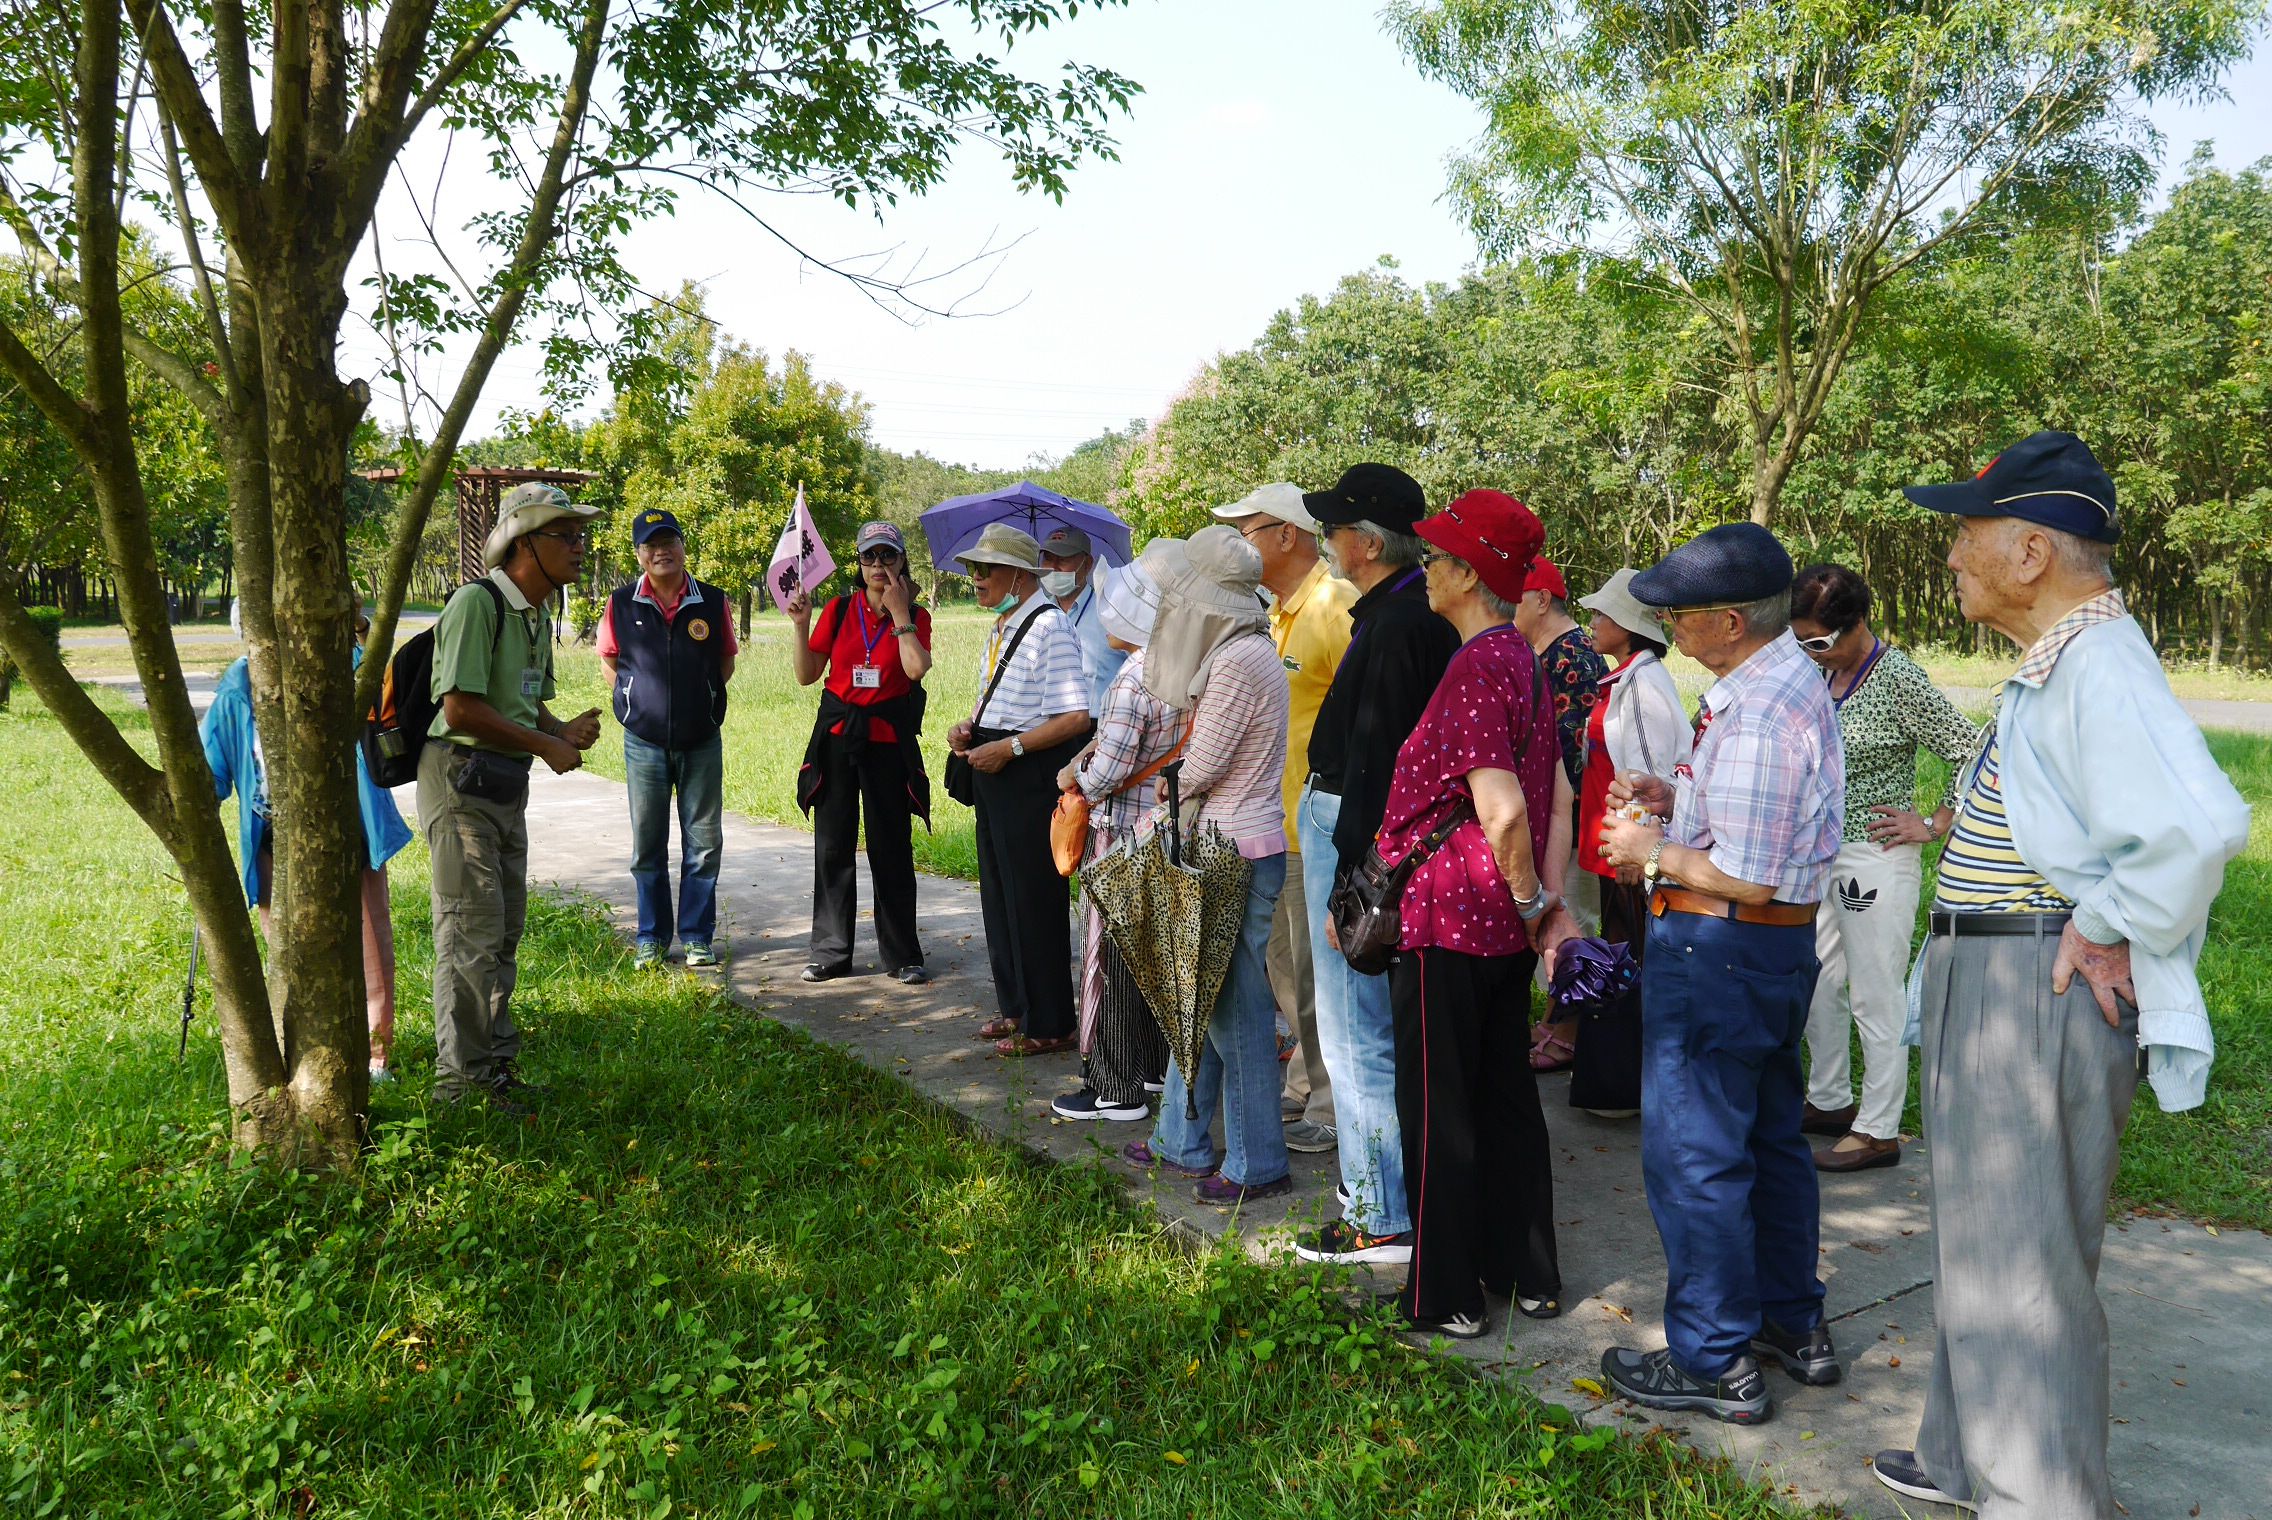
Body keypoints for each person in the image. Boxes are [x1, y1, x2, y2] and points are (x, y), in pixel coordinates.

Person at [1867, 433, 2249, 1518]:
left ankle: (2039, 1496)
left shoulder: (2097, 661)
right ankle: (1960, 1456)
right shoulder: (2063, 654)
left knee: (2020, 1260)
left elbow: (2198, 823)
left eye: (1964, 535)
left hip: (2026, 981)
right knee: (1987, 1238)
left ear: (2029, 549)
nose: (1950, 558)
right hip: (1992, 971)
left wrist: (2110, 918)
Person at [1593, 521, 1845, 1425]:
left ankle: (1712, 1357)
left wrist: (1650, 850)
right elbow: (1760, 835)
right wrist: (1679, 799)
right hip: (1766, 954)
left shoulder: (1765, 710)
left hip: (1722, 948)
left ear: (1730, 621)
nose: (1665, 624)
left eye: (1681, 613)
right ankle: (1790, 1324)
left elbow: (1748, 872)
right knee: (1771, 1139)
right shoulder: (1775, 686)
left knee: (1698, 1155)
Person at [1364, 490, 1580, 1337]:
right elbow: (1551, 789)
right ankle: (1525, 1271)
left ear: (1466, 573)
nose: (1425, 569)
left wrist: (1534, 898)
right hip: (1495, 923)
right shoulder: (1519, 656)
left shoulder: (1476, 663)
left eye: (1438, 557)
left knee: (1438, 1109)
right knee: (1502, 1097)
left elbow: (1502, 809)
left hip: (1452, 916)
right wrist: (1535, 909)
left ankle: (1447, 1294)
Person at [1291, 462, 1459, 1267]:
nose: (1327, 541)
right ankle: (1385, 1196)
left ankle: (1378, 1211)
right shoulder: (1396, 615)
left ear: (1365, 542)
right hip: (1352, 829)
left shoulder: (1399, 626)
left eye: (1332, 529)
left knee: (1356, 1034)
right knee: (1363, 1027)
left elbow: (1377, 765)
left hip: (1353, 837)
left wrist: (1350, 880)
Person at [1116, 527, 1295, 1204]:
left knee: (1235, 1017)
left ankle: (1257, 1165)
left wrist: (1151, 810)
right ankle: (1181, 1140)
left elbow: (1203, 767)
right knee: (1208, 1005)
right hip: (1239, 847)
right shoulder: (1248, 650)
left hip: (1230, 853)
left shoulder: (1237, 660)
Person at [1787, 562, 1980, 1172]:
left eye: (1820, 641)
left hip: (1875, 858)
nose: (1810, 652)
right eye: (1801, 641)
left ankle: (1879, 1131)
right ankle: (1829, 1100)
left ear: (1858, 623)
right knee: (1818, 982)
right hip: (1820, 855)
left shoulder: (1896, 677)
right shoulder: (1818, 673)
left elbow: (1970, 750)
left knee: (1875, 992)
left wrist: (1934, 822)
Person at [419, 482, 603, 1113]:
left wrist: (558, 731)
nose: (580, 547)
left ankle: (494, 1070)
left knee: (502, 931)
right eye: (566, 536)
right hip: (460, 780)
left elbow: (523, 703)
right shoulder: (478, 604)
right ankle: (460, 1085)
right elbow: (461, 707)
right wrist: (544, 744)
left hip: (503, 784)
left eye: (580, 535)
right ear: (525, 543)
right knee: (470, 932)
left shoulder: (536, 614)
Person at [201, 598, 413, 1083]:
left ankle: (375, 1056)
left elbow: (374, 666)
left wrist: (354, 619)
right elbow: (211, 772)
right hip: (273, 832)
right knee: (287, 947)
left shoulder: (337, 667)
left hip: (348, 826)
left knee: (368, 946)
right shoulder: (236, 690)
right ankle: (301, 1050)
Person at [1212, 481, 1353, 1156]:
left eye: (1247, 529)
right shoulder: (1279, 612)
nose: (1240, 543)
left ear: (1286, 535)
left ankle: (1328, 1103)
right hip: (1277, 826)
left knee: (1315, 975)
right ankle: (1304, 1083)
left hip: (1315, 827)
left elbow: (1373, 717)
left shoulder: (1333, 606)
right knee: (1287, 975)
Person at [949, 523, 1093, 1056]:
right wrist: (970, 727)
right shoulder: (1005, 625)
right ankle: (1017, 1007)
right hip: (995, 765)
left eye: (986, 569)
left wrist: (1008, 748)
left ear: (1016, 573)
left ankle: (1050, 1022)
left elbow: (1076, 715)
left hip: (1025, 771)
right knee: (1000, 893)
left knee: (1032, 898)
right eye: (973, 569)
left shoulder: (1049, 627)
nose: (977, 579)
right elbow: (1004, 698)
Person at [1053, 555, 1173, 1121]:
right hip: (1157, 834)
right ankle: (1146, 1071)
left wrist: (1072, 776)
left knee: (1106, 962)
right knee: (1146, 956)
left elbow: (1108, 773)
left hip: (1118, 837)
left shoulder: (1132, 680)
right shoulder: (1175, 668)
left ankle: (1112, 1085)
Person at [1567, 568, 1691, 1116]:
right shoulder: (1625, 678)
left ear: (1628, 625)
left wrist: (1635, 851)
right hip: (1614, 841)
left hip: (1631, 848)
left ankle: (1632, 1085)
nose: (1591, 622)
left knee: (1633, 954)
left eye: (1601, 614)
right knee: (1623, 951)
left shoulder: (1643, 684)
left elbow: (1649, 772)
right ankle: (1620, 1083)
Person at [790, 521, 933, 985]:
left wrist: (898, 615)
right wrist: (800, 624)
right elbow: (807, 674)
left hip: (888, 740)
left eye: (887, 557)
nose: (878, 566)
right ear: (858, 563)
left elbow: (914, 670)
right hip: (837, 734)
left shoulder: (916, 615)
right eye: (869, 557)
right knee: (833, 845)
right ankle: (831, 950)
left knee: (891, 846)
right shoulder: (838, 609)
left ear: (902, 562)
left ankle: (902, 954)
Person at [598, 508, 737, 970]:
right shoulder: (620, 604)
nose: (661, 551)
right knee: (648, 845)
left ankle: (697, 936)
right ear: (639, 554)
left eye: (668, 541)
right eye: (650, 545)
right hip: (644, 743)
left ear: (682, 546)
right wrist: (638, 702)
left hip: (701, 740)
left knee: (703, 842)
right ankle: (651, 938)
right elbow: (610, 663)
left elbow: (725, 662)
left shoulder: (712, 601)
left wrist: (704, 700)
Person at [1518, 554, 1608, 1072]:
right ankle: (1556, 1021)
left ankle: (1571, 1031)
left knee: (1571, 923)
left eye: (1517, 598)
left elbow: (1573, 755)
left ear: (1543, 599)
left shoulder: (1571, 655)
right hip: (1555, 818)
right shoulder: (1544, 652)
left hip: (1571, 821)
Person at [1039, 525, 1127, 716]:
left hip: (1098, 729)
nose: (1053, 568)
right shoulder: (1038, 615)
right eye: (1047, 558)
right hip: (1046, 729)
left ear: (1087, 564)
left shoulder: (1111, 612)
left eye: (1063, 559)